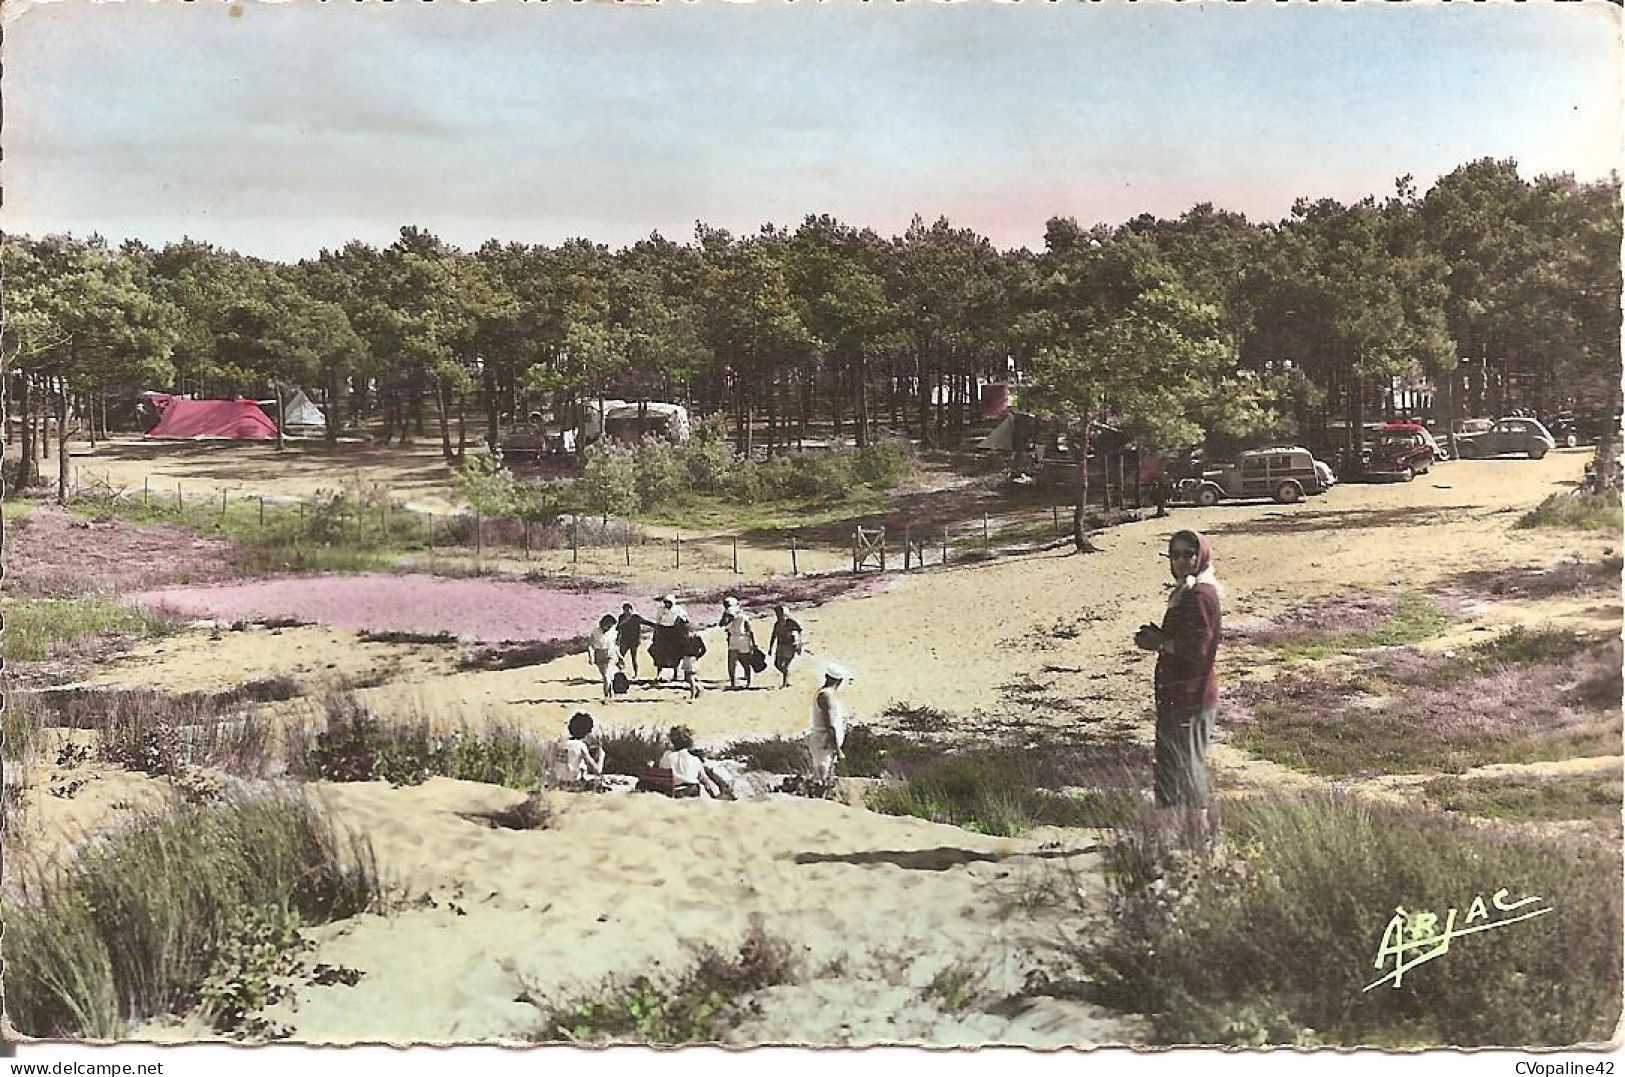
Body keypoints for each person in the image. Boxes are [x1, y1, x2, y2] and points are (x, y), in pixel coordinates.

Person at [1134, 529, 1222, 812]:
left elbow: (1198, 649)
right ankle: (1171, 833)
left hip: (1191, 697)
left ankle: (1199, 835)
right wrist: (1160, 638)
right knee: (1172, 766)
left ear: (1201, 556)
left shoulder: (1200, 595)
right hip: (1179, 696)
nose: (1182, 561)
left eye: (1189, 554)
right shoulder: (1186, 592)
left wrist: (1161, 643)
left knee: (1187, 769)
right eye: (1176, 555)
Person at [809, 664, 851, 784]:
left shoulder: (827, 694)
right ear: (840, 681)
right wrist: (838, 749)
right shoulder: (826, 695)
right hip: (824, 740)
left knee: (826, 775)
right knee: (822, 776)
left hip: (826, 741)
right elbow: (830, 725)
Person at [660, 724, 723, 799]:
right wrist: (716, 792)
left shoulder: (667, 756)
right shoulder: (695, 759)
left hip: (674, 792)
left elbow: (661, 769)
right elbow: (705, 779)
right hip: (693, 791)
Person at [552, 711, 606, 788]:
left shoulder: (560, 742)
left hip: (558, 782)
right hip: (573, 784)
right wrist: (601, 756)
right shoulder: (580, 746)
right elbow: (597, 771)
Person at [721, 596, 758, 689]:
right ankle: (749, 682)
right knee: (745, 661)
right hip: (744, 639)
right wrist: (753, 643)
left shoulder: (728, 613)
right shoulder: (743, 615)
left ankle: (733, 683)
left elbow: (722, 624)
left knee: (731, 663)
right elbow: (750, 630)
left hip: (733, 638)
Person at [650, 594, 689, 681]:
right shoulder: (660, 610)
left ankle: (675, 674)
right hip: (663, 632)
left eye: (669, 603)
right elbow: (657, 622)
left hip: (674, 632)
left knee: (675, 653)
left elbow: (685, 619)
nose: (667, 604)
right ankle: (659, 673)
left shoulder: (678, 610)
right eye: (666, 602)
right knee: (659, 653)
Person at [768, 605, 804, 689]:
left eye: (780, 614)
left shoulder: (791, 622)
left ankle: (784, 682)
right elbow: (773, 636)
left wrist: (799, 643)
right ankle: (786, 676)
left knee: (785, 665)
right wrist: (771, 648)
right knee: (777, 664)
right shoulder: (777, 624)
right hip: (780, 645)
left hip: (790, 646)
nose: (778, 616)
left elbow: (800, 630)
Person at [616, 602, 650, 680]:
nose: (627, 611)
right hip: (624, 640)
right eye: (625, 610)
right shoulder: (621, 617)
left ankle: (636, 674)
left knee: (634, 658)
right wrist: (623, 623)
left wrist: (656, 625)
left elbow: (646, 622)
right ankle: (618, 672)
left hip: (634, 641)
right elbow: (617, 628)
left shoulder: (635, 617)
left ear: (631, 610)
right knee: (620, 657)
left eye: (628, 610)